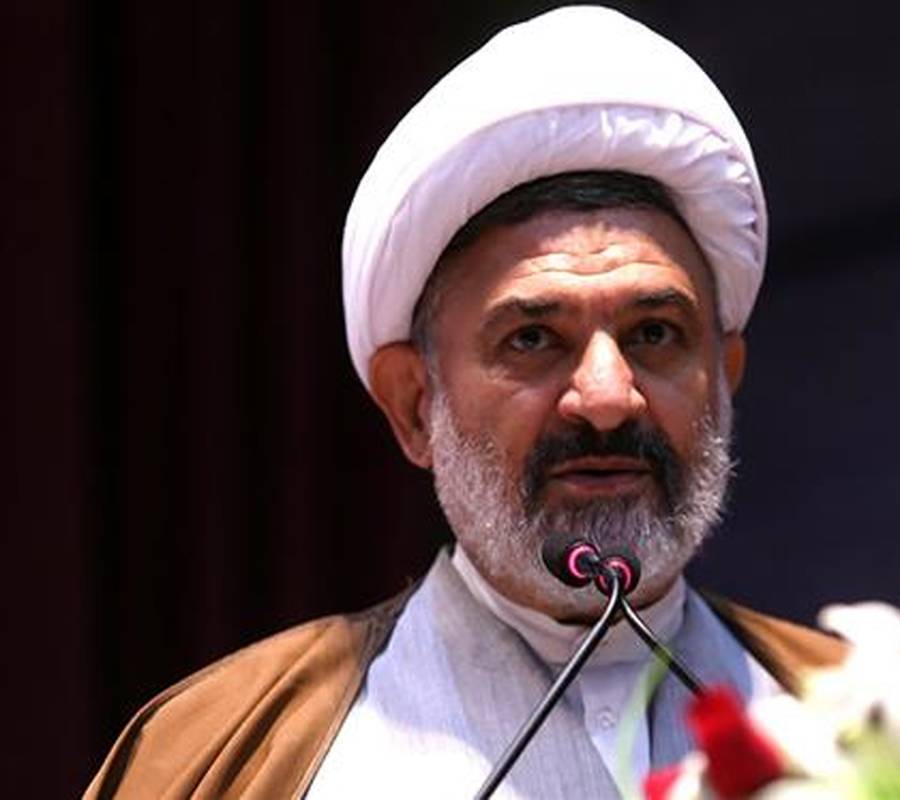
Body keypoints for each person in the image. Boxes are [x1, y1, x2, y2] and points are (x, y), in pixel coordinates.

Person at [86, 7, 844, 798]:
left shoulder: (874, 727)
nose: (607, 398)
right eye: (533, 339)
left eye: (654, 333)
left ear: (723, 378)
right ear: (415, 405)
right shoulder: (222, 756)